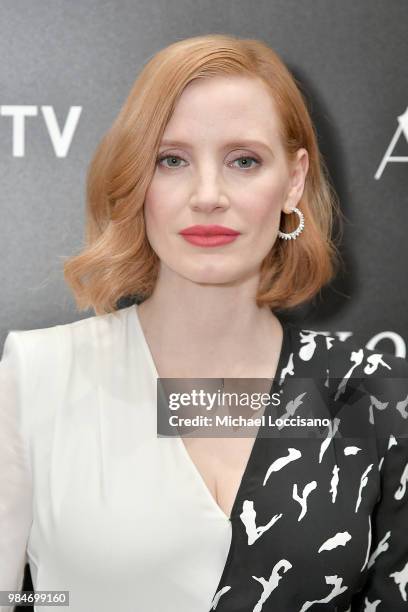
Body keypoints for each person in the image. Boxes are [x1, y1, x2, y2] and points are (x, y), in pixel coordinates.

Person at [1, 33, 407, 612]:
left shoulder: (371, 395)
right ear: (136, 178)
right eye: (172, 160)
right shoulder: (38, 377)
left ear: (293, 181)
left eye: (244, 161)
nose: (208, 195)